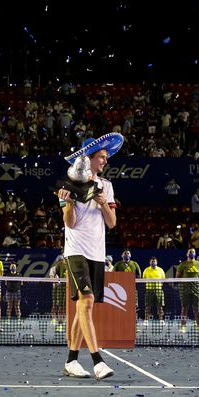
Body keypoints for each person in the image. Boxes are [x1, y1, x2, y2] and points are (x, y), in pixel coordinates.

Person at [57, 132, 123, 380]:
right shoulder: (67, 185)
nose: (105, 161)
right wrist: (69, 204)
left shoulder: (107, 186)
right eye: (102, 157)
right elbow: (70, 223)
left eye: (106, 157)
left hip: (97, 253)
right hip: (75, 251)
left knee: (84, 307)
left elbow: (112, 223)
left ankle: (71, 361)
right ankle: (98, 361)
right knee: (85, 301)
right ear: (89, 158)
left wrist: (103, 202)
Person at [175, 248, 199, 334]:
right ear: (187, 254)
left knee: (197, 309)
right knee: (184, 309)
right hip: (185, 290)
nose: (191, 253)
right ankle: (183, 327)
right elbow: (177, 278)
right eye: (190, 252)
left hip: (196, 290)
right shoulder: (182, 265)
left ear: (195, 254)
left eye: (193, 252)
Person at [142, 257, 166, 325]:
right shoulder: (146, 270)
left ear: (156, 262)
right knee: (147, 306)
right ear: (150, 262)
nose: (153, 262)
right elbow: (143, 279)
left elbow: (163, 280)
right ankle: (146, 320)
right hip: (149, 290)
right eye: (152, 261)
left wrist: (158, 286)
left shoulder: (160, 270)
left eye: (154, 261)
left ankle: (161, 320)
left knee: (160, 306)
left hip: (158, 290)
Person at [48, 255, 68, 332]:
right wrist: (58, 282)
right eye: (60, 260)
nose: (61, 261)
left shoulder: (68, 267)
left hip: (67, 289)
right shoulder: (55, 268)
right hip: (57, 289)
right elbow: (53, 279)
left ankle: (66, 321)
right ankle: (58, 323)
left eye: (62, 260)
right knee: (58, 306)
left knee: (65, 307)